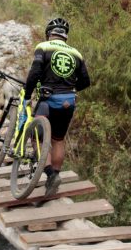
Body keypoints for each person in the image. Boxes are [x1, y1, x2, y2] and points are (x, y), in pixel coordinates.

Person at [19, 18, 90, 196]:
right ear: (65, 36)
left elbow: (34, 73)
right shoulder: (77, 54)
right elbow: (86, 82)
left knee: (36, 138)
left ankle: (50, 174)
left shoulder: (43, 47)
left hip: (48, 100)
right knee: (58, 139)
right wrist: (71, 89)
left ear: (49, 33)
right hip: (68, 101)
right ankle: (55, 177)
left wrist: (27, 96)